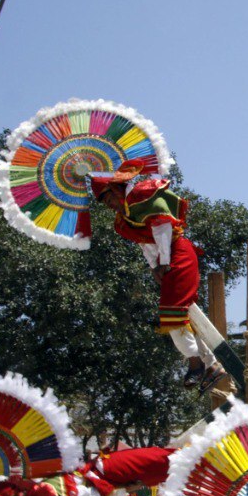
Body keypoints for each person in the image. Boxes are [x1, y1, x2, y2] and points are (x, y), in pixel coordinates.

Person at [89, 160, 225, 392]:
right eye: (105, 204)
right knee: (183, 314)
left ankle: (196, 364)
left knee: (172, 312)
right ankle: (212, 365)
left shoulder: (143, 194)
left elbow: (163, 230)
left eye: (109, 199)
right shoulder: (124, 219)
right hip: (168, 258)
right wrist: (154, 266)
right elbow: (145, 242)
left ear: (116, 190)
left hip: (178, 253)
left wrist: (163, 263)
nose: (110, 206)